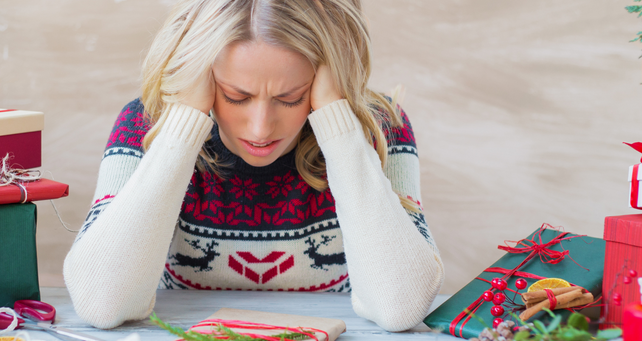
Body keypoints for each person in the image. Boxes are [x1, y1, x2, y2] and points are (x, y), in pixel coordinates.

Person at [63, 0, 444, 332]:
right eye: (236, 96)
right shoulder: (145, 125)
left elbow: (401, 306)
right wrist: (182, 126)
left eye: (291, 98)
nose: (261, 129)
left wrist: (338, 123)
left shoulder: (380, 128)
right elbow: (102, 303)